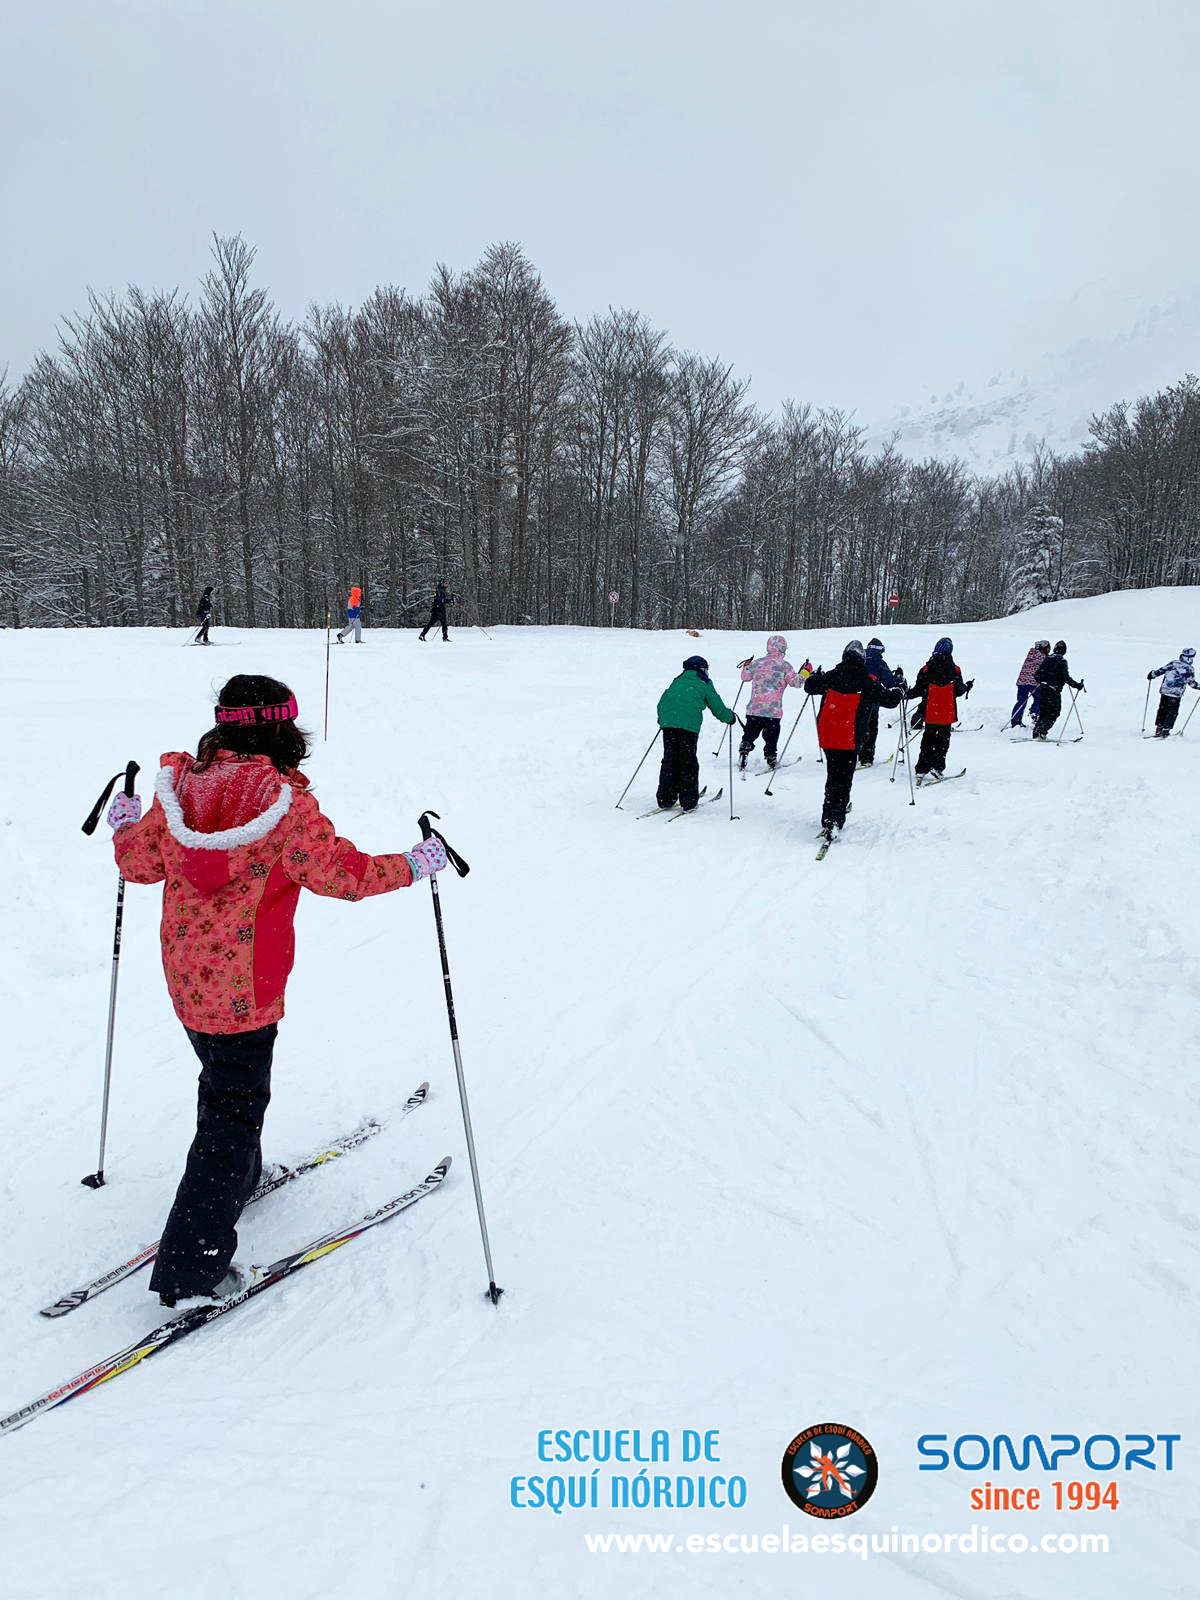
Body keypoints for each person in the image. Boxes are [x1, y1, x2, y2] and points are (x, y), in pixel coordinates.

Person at [105, 674, 447, 1309]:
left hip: (186, 979)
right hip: (247, 988)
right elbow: (346, 877)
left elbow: (137, 863)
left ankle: (237, 1180)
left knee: (225, 1088)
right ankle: (192, 1268)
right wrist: (415, 863)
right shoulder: (284, 808)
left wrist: (127, 822)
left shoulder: (180, 790)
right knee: (231, 1116)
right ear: (282, 731)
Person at [803, 640, 901, 841]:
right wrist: (899, 689)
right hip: (851, 737)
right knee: (844, 777)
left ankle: (831, 811)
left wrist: (815, 675)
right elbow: (890, 701)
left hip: (829, 735)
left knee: (833, 775)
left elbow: (809, 686)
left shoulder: (832, 675)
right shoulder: (867, 681)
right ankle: (834, 819)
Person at [656, 655, 735, 810]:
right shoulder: (704, 682)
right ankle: (688, 801)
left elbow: (663, 701)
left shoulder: (677, 680)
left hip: (668, 724)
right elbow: (717, 706)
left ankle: (666, 798)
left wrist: (663, 720)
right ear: (702, 669)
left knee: (670, 760)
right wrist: (730, 717)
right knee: (687, 761)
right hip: (688, 726)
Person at [904, 637, 973, 782]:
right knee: (942, 741)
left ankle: (922, 768)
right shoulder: (955, 670)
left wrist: (907, 693)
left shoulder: (926, 669)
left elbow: (918, 690)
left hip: (930, 711)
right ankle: (937, 767)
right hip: (946, 712)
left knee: (928, 739)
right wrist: (967, 686)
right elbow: (959, 691)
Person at [737, 635, 808, 769]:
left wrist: (746, 666)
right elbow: (796, 683)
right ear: (783, 649)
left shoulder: (757, 663)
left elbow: (745, 677)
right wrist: (805, 672)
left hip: (754, 708)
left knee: (750, 731)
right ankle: (771, 757)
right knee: (771, 736)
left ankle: (745, 749)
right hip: (772, 710)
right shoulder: (785, 666)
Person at [860, 637, 902, 765]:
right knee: (871, 729)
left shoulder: (860, 658)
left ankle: (853, 753)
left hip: (855, 701)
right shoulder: (879, 662)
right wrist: (898, 677)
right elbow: (890, 682)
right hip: (873, 701)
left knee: (858, 727)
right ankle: (866, 757)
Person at [1033, 641, 1084, 740]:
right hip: (1053, 690)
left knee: (1044, 712)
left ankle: (1036, 733)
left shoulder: (1047, 659)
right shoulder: (1061, 661)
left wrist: (1042, 682)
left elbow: (1037, 674)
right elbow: (1066, 677)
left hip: (1043, 690)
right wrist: (1077, 685)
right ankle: (1041, 731)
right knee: (1054, 712)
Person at [1148, 647, 1198, 736]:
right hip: (1175, 694)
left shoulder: (1173, 663)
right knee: (1172, 712)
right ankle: (1165, 730)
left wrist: (1152, 674)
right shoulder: (1189, 669)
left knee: (1162, 710)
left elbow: (1161, 670)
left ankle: (1159, 729)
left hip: (1165, 691)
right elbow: (1192, 684)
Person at [1009, 640, 1049, 728]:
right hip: (1033, 682)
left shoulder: (1031, 654)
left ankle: (1015, 722)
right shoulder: (1042, 657)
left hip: (1022, 681)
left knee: (1021, 702)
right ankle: (1034, 712)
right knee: (1040, 698)